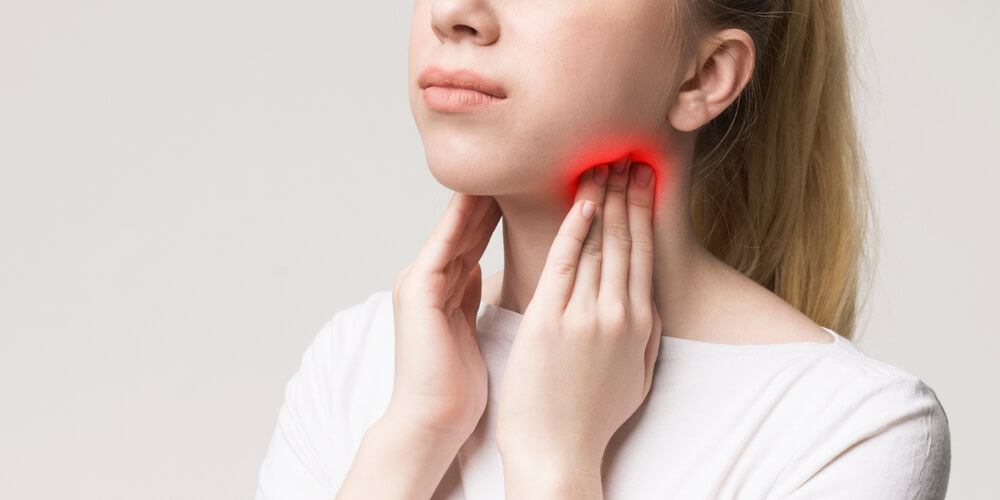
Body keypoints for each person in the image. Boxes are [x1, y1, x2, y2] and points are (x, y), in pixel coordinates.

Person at [255, 0, 951, 498]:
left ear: (704, 76)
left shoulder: (848, 432)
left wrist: (555, 467)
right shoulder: (358, 363)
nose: (454, 14)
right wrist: (413, 437)